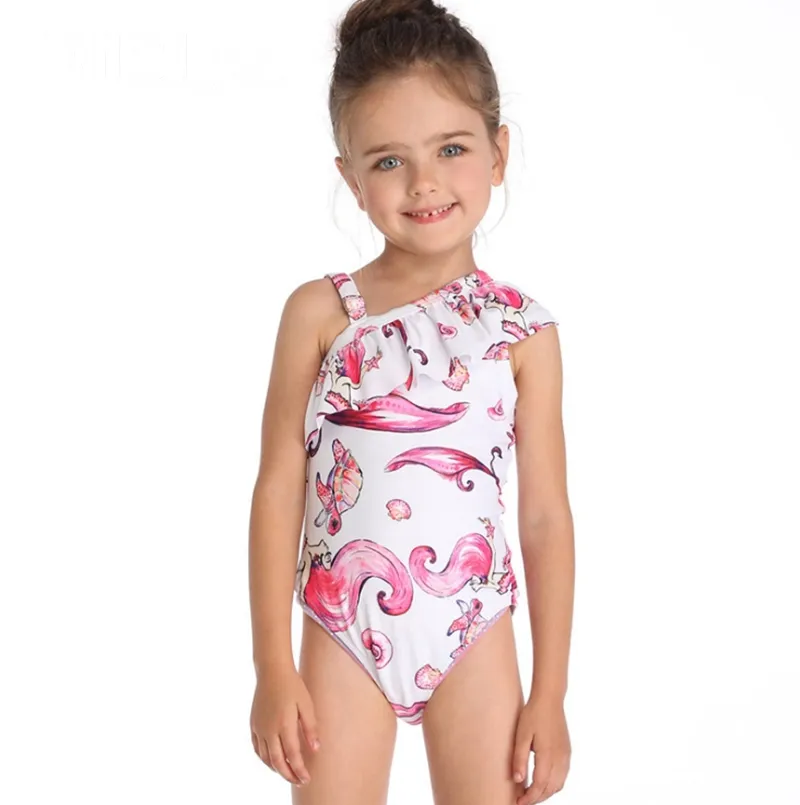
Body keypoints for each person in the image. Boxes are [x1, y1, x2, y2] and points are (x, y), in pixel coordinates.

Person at [248, 1, 574, 803]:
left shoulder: (522, 332)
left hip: (474, 627)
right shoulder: (321, 314)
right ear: (351, 180)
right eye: (389, 160)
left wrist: (551, 692)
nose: (424, 181)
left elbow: (543, 516)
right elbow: (279, 487)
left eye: (451, 148)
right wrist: (272, 665)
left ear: (498, 153)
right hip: (343, 626)